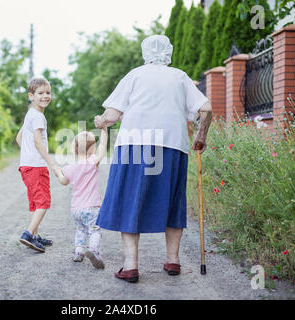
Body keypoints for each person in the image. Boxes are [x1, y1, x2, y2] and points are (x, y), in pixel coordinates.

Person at [94, 35, 213, 283]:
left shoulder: (135, 75)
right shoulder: (180, 76)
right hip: (172, 145)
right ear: (168, 53)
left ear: (145, 52)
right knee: (172, 199)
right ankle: (173, 260)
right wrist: (201, 136)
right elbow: (207, 109)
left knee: (130, 200)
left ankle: (130, 266)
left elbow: (113, 115)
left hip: (134, 144)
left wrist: (101, 121)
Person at [16, 77, 60, 253]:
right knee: (43, 202)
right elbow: (38, 142)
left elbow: (19, 138)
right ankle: (27, 234)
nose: (45, 96)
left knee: (35, 202)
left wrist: (27, 155)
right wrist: (52, 164)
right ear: (31, 96)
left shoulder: (30, 115)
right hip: (36, 166)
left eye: (48, 92)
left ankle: (34, 236)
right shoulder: (39, 117)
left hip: (26, 166)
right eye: (40, 93)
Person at [56, 127, 108, 269]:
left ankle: (78, 252)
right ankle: (93, 250)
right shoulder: (93, 162)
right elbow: (103, 146)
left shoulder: (70, 168)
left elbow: (63, 181)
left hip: (76, 209)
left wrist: (59, 173)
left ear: (74, 149)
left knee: (80, 229)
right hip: (92, 207)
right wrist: (104, 130)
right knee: (94, 230)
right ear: (92, 150)